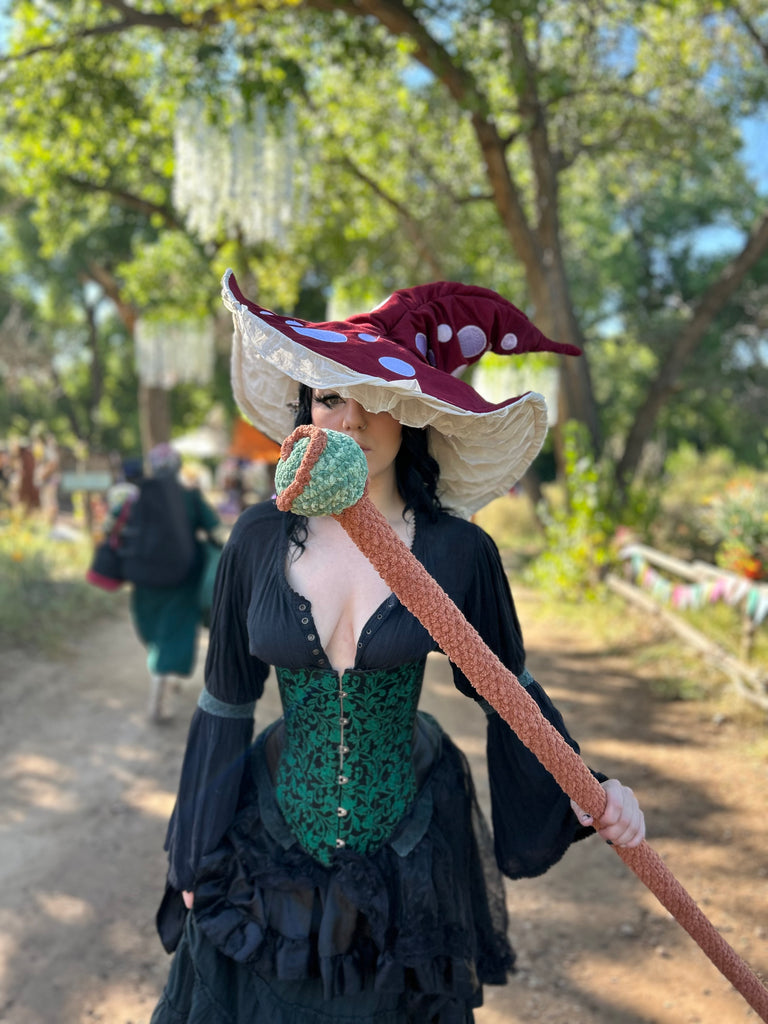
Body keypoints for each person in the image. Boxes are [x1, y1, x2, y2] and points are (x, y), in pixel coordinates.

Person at [150, 273, 645, 1023]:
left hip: (412, 850)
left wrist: (591, 790)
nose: (347, 415)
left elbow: (509, 694)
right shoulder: (257, 538)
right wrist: (192, 850)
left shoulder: (457, 552)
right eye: (326, 396)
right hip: (271, 844)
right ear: (305, 412)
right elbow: (226, 697)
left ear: (410, 411)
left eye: (370, 393)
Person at [128, 443, 222, 722]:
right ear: (178, 467)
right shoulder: (190, 496)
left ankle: (160, 671)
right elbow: (215, 529)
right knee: (176, 629)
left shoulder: (136, 495)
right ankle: (161, 684)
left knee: (153, 627)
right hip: (183, 576)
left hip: (144, 577)